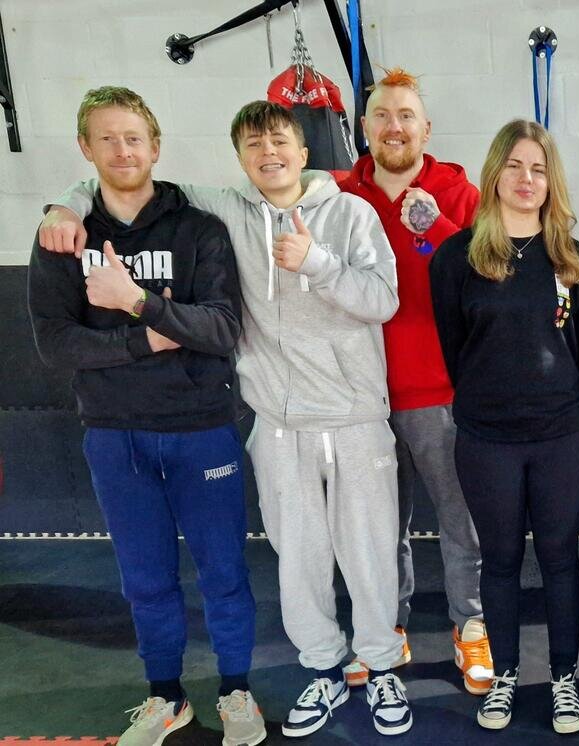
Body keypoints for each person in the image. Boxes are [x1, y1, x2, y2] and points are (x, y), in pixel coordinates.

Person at [39, 101, 412, 737]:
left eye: (280, 142)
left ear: (303, 151)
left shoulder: (352, 212)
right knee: (297, 559)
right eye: (254, 145)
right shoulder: (226, 209)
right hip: (278, 422)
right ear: (239, 157)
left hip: (354, 417)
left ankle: (379, 669)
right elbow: (127, 173)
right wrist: (65, 205)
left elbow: (383, 300)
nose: (269, 153)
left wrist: (317, 264)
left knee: (370, 553)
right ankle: (323, 668)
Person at [27, 86, 264, 746]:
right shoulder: (62, 239)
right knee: (146, 580)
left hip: (200, 429)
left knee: (223, 573)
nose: (123, 150)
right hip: (115, 433)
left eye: (134, 138)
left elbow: (220, 328)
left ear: (155, 147)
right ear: (85, 149)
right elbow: (55, 344)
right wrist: (146, 338)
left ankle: (237, 691)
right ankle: (166, 697)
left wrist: (138, 303)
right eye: (107, 138)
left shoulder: (199, 229)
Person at [431, 119, 579, 735]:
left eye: (539, 168)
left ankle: (563, 678)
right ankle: (503, 676)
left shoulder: (572, 258)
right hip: (487, 439)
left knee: (558, 559)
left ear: (551, 180)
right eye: (516, 166)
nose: (527, 179)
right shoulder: (458, 257)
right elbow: (457, 347)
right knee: (498, 561)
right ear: (495, 172)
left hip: (561, 437)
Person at [335, 67, 491, 694]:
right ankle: (384, 628)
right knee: (378, 529)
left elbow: (493, 275)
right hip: (363, 397)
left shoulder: (459, 194)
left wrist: (441, 233)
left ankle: (471, 625)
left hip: (440, 394)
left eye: (406, 116)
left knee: (460, 522)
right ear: (364, 125)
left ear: (426, 128)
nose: (393, 126)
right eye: (381, 114)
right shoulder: (338, 195)